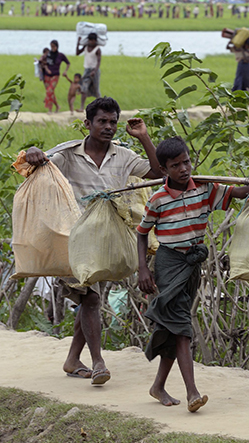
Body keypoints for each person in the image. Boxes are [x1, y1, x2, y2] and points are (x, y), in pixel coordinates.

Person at [23, 97, 162, 385]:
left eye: (113, 122)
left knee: (90, 299)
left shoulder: (123, 156)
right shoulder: (68, 155)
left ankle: (73, 359)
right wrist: (33, 152)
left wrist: (144, 137)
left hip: (107, 240)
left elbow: (158, 173)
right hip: (74, 239)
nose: (108, 127)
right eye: (102, 121)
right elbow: (33, 166)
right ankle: (98, 362)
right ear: (88, 124)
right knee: (92, 298)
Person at [136, 136, 249, 412]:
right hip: (168, 264)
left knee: (172, 326)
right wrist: (143, 268)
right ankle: (192, 393)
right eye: (175, 165)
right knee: (182, 328)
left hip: (193, 264)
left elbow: (237, 193)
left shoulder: (205, 189)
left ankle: (158, 386)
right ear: (163, 170)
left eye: (187, 162)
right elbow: (142, 234)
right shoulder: (158, 199)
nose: (184, 169)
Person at [41, 40, 70, 113]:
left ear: (57, 46)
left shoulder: (60, 55)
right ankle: (57, 106)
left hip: (55, 75)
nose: (52, 48)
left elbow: (68, 63)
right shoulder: (48, 54)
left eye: (53, 46)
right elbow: (43, 62)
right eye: (51, 47)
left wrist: (65, 71)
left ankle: (50, 109)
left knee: (49, 90)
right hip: (47, 75)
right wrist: (47, 69)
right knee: (50, 92)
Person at [76, 32, 101, 111]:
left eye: (92, 41)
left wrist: (95, 71)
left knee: (96, 90)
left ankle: (102, 107)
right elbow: (77, 53)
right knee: (84, 88)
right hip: (87, 70)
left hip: (95, 71)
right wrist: (78, 43)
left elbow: (99, 61)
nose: (91, 42)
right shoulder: (86, 47)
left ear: (95, 41)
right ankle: (81, 107)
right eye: (90, 40)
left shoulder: (98, 49)